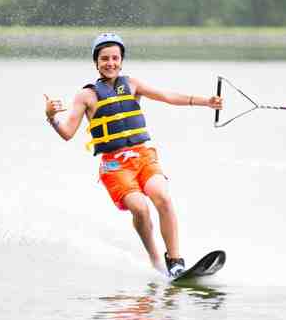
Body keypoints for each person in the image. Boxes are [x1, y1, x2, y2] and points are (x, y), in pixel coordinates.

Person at [43, 33, 222, 278]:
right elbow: (67, 133)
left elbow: (167, 96)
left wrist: (206, 101)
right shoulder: (86, 96)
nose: (110, 63)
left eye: (115, 58)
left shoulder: (132, 84)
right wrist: (51, 117)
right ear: (96, 62)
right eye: (104, 58)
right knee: (140, 208)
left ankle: (175, 260)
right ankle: (155, 258)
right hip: (114, 165)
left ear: (121, 60)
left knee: (162, 197)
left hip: (143, 156)